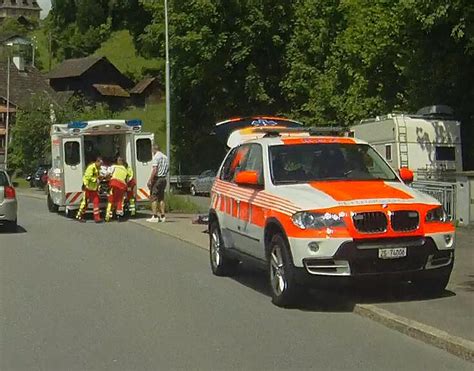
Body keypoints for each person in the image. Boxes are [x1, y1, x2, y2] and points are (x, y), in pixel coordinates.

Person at [76, 156, 103, 223]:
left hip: (94, 189)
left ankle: (97, 218)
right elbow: (88, 177)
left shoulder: (98, 168)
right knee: (85, 203)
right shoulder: (91, 168)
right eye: (100, 163)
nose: (101, 165)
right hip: (88, 188)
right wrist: (96, 179)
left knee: (96, 203)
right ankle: (79, 215)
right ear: (97, 162)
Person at [147, 144, 169, 223]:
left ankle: (155, 216)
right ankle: (163, 216)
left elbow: (155, 169)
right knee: (161, 197)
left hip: (157, 179)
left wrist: (150, 180)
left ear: (154, 149)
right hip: (164, 178)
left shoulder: (156, 157)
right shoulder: (165, 157)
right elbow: (168, 168)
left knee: (154, 197)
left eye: (152, 150)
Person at [105, 156, 129, 222]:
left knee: (111, 200)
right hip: (122, 186)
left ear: (118, 161)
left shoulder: (114, 167)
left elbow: (107, 174)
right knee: (120, 201)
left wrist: (106, 178)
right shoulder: (125, 169)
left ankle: (108, 216)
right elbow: (127, 179)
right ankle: (119, 216)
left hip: (114, 184)